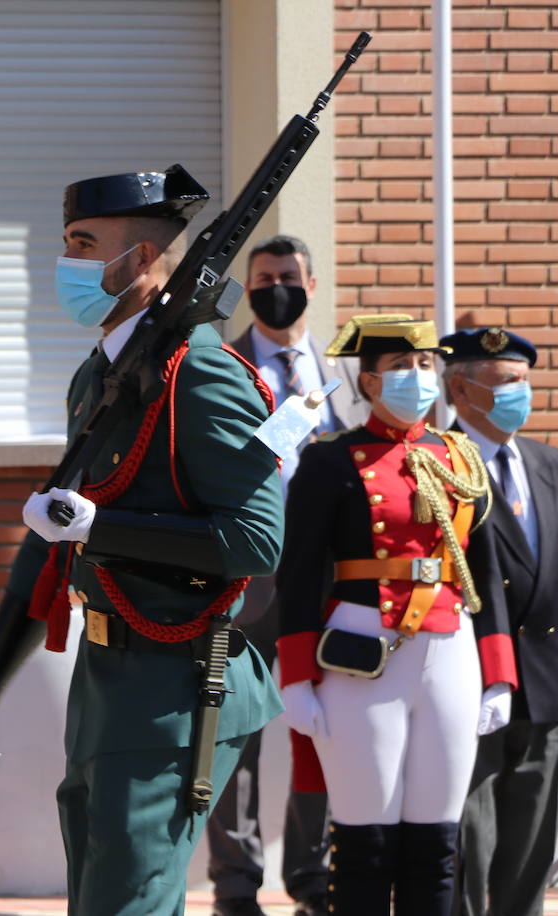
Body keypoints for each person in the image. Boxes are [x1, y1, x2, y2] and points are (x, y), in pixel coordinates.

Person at [0, 163, 285, 915]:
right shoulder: (101, 376)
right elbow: (52, 545)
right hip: (106, 681)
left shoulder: (201, 375)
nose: (67, 262)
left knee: (127, 905)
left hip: (178, 680)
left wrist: (104, 527)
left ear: (142, 260)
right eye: (67, 241)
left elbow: (255, 540)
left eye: (85, 243)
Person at [276, 315, 517, 915]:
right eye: (401, 367)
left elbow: (484, 574)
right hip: (362, 652)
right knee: (365, 841)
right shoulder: (331, 461)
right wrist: (296, 677)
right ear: (371, 383)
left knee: (437, 843)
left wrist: (500, 673)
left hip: (450, 649)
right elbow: (300, 573)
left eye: (424, 365)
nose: (418, 377)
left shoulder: (460, 457)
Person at [214, 234, 368, 916]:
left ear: (310, 282)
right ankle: (236, 887)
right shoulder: (221, 366)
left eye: (286, 276)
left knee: (320, 734)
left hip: (327, 587)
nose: (274, 287)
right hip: (245, 583)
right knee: (235, 736)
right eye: (262, 278)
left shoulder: (346, 377)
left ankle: (310, 878)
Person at [441, 326, 558, 916]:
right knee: (470, 838)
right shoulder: (439, 459)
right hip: (472, 675)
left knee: (532, 839)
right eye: (504, 383)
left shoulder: (548, 461)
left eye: (524, 382)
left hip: (543, 678)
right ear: (460, 389)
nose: (518, 394)